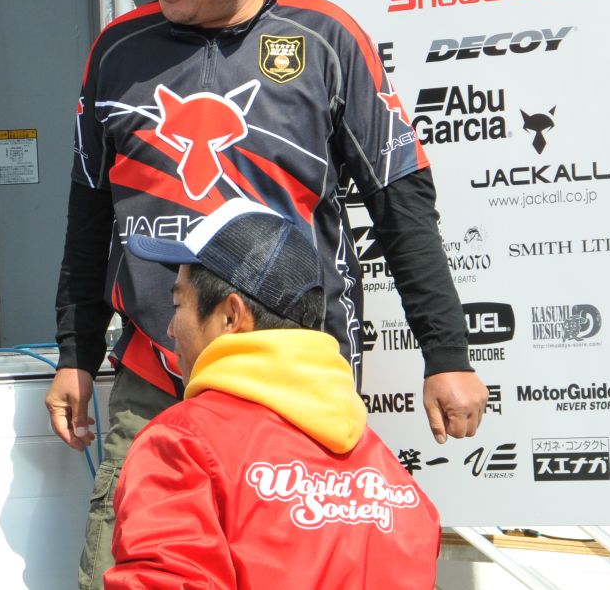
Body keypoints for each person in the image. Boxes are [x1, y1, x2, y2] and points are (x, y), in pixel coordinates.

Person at [48, 0, 485, 587]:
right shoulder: (117, 49)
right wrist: (76, 352)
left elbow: (401, 204)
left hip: (294, 377)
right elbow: (90, 212)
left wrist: (445, 354)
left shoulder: (326, 39)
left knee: (296, 572)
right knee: (130, 569)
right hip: (159, 373)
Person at [106, 199, 441, 589]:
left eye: (178, 304)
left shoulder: (180, 444)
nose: (169, 329)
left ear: (231, 316)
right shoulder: (395, 481)